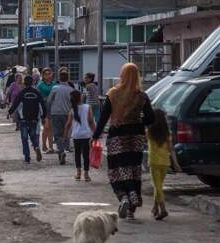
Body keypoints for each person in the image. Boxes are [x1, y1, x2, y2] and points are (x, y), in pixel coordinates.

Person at [93, 62, 155, 221]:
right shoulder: (142, 96)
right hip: (136, 138)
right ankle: (131, 209)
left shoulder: (113, 93)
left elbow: (104, 117)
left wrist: (95, 136)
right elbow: (151, 118)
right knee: (133, 170)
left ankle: (123, 197)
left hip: (117, 137)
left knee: (117, 170)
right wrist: (138, 119)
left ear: (122, 75)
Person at [147, 109, 182, 220]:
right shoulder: (167, 134)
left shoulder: (149, 132)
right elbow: (171, 150)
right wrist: (175, 164)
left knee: (157, 187)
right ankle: (155, 208)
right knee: (159, 187)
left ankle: (163, 209)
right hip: (165, 163)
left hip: (154, 162)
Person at [8, 75, 47, 163]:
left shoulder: (22, 93)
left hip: (23, 119)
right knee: (33, 136)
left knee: (24, 139)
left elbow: (15, 104)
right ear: (33, 83)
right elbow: (42, 105)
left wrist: (10, 112)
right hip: (34, 119)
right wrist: (43, 116)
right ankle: (36, 146)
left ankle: (27, 157)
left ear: (24, 83)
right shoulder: (37, 93)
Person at [64, 90, 96, 182]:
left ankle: (78, 173)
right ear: (80, 97)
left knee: (77, 154)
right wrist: (96, 133)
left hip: (76, 135)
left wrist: (65, 135)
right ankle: (86, 174)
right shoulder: (87, 107)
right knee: (86, 155)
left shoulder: (72, 110)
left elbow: (68, 124)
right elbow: (91, 121)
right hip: (86, 135)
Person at [47, 69, 74, 165]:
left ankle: (61, 151)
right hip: (67, 113)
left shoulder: (55, 88)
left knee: (57, 134)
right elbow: (73, 103)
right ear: (68, 79)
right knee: (66, 133)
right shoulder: (71, 90)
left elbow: (49, 101)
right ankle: (65, 147)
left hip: (56, 113)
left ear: (59, 78)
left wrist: (48, 113)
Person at [37, 68, 55, 153]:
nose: (48, 75)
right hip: (44, 108)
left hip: (53, 108)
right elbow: (37, 96)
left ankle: (51, 147)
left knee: (51, 128)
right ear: (43, 75)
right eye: (46, 74)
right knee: (46, 127)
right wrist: (44, 99)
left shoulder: (54, 83)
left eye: (49, 73)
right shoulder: (40, 85)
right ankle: (44, 145)